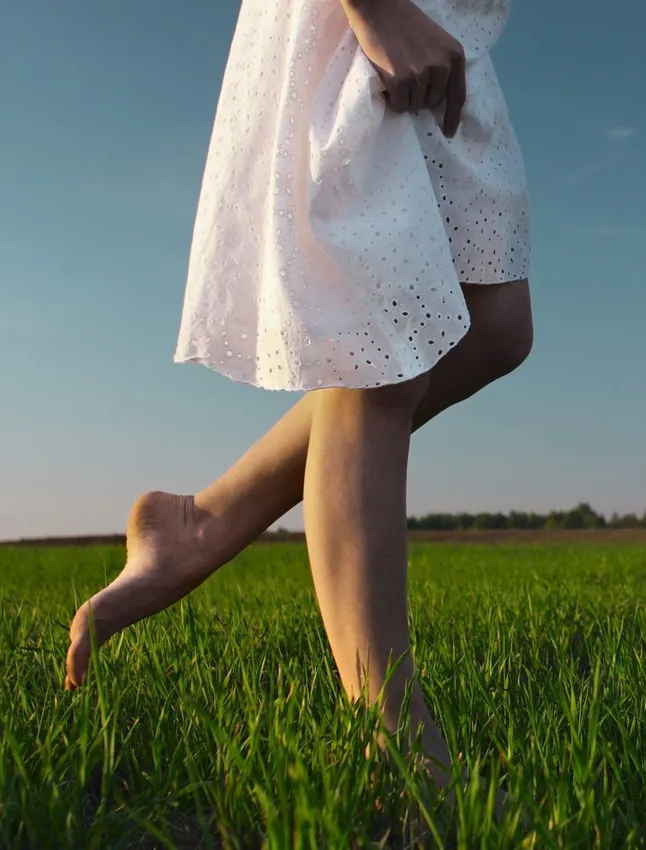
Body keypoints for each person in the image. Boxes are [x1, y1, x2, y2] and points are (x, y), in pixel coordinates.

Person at [63, 0, 531, 793]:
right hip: (369, 21)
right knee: (378, 349)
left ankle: (199, 521)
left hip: (454, 24)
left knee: (494, 328)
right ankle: (397, 751)